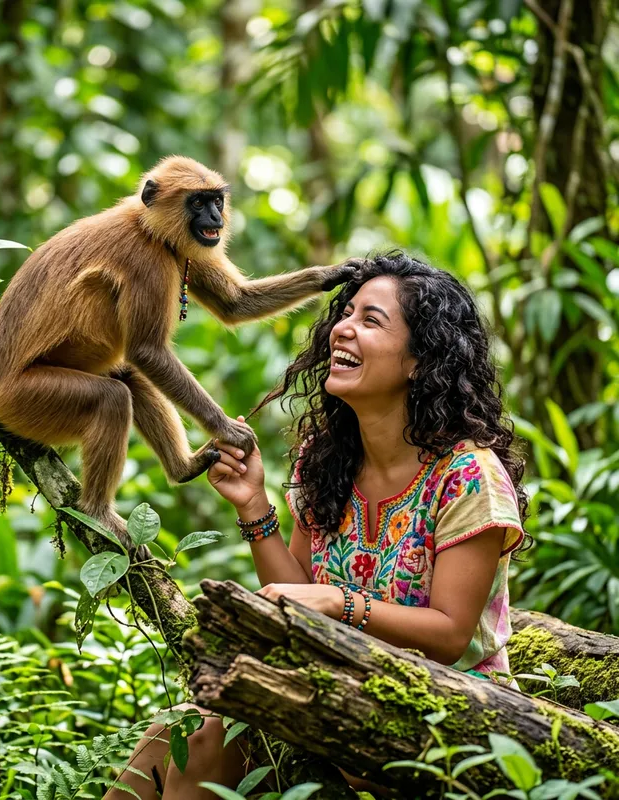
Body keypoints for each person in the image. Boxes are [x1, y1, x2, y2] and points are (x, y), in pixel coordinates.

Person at [106, 252, 528, 799]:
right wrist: (254, 505)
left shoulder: (468, 474)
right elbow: (298, 589)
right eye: (345, 314)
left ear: (420, 361)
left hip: (451, 716)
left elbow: (449, 635)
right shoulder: (325, 460)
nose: (342, 330)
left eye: (370, 321)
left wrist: (339, 604)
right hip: (338, 689)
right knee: (182, 731)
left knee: (208, 735)